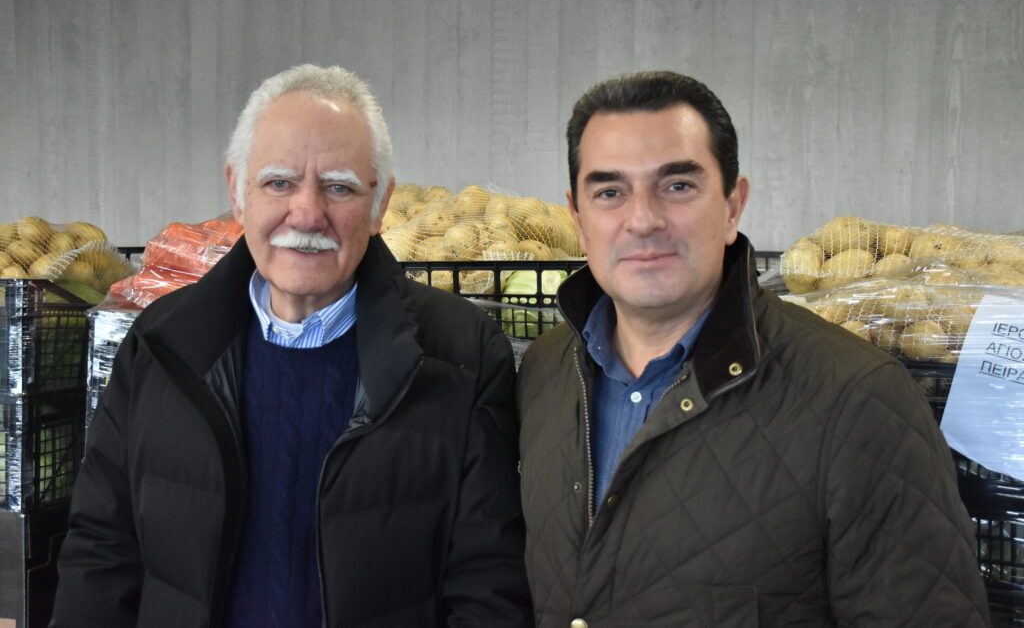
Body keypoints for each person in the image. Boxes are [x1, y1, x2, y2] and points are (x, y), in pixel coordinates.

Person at [51, 64, 533, 627]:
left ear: (380, 204)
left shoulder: (462, 353)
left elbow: (486, 585)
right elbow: (102, 554)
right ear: (238, 192)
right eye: (278, 182)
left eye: (339, 187)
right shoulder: (161, 343)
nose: (306, 214)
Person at [515, 70, 989, 626]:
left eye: (678, 186)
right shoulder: (545, 372)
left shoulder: (859, 399)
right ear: (577, 219)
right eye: (610, 192)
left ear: (732, 206)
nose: (642, 220)